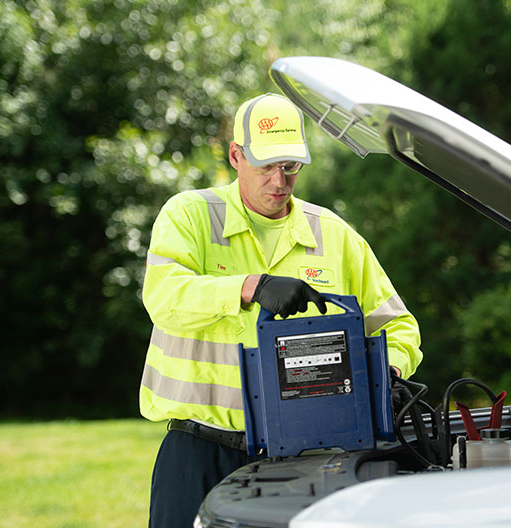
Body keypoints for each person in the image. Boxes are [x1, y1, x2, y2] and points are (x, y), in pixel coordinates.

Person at [139, 92, 422, 527]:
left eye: (290, 167)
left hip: (306, 456)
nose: (279, 180)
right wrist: (250, 287)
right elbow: (164, 298)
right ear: (236, 155)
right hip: (198, 449)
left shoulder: (334, 236)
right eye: (266, 166)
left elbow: (397, 325)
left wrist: (388, 372)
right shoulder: (190, 217)